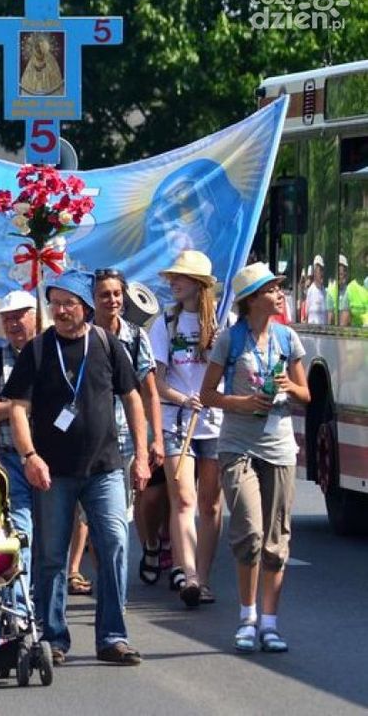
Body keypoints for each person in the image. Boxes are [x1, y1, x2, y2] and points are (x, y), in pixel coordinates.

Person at [4, 269, 149, 666]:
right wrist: (30, 456)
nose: (61, 311)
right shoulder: (37, 349)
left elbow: (132, 397)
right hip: (54, 472)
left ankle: (113, 638)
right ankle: (53, 638)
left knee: (115, 545)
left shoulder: (105, 343)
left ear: (85, 307)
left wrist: (142, 453)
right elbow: (17, 406)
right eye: (55, 304)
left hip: (105, 469)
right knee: (51, 555)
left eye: (69, 304)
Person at [200, 263, 309, 653]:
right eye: (272, 289)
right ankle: (246, 618)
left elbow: (307, 396)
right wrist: (243, 403)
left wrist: (289, 386)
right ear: (252, 299)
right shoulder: (230, 340)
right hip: (237, 445)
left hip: (279, 447)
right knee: (249, 533)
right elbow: (208, 394)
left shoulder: (287, 338)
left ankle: (270, 623)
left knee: (277, 541)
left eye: (280, 288)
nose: (280, 294)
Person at [149, 250, 224, 606]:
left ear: (199, 284)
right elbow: (157, 381)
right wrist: (183, 398)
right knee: (184, 499)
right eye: (172, 277)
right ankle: (189, 576)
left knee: (209, 505)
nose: (173, 283)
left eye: (180, 277)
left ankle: (204, 578)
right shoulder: (163, 322)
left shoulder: (223, 323)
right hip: (177, 420)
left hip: (216, 423)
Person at [92, 269, 166, 584]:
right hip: (91, 440)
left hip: (125, 438)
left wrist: (156, 440)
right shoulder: (83, 335)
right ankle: (107, 582)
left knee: (118, 517)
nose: (112, 300)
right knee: (96, 519)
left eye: (116, 294)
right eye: (104, 295)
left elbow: (149, 393)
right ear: (93, 299)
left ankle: (138, 557)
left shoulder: (136, 337)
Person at [0, 290, 38, 593]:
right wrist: (24, 406)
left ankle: (40, 601)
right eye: (7, 318)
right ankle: (20, 604)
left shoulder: (51, 354)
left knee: (50, 536)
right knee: (19, 529)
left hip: (49, 458)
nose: (12, 323)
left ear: (35, 316)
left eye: (19, 316)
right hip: (8, 458)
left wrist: (11, 406)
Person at [304, 255, 327, 325]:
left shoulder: (325, 291)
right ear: (314, 272)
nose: (321, 273)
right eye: (319, 270)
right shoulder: (311, 291)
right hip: (313, 331)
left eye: (322, 270)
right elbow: (306, 314)